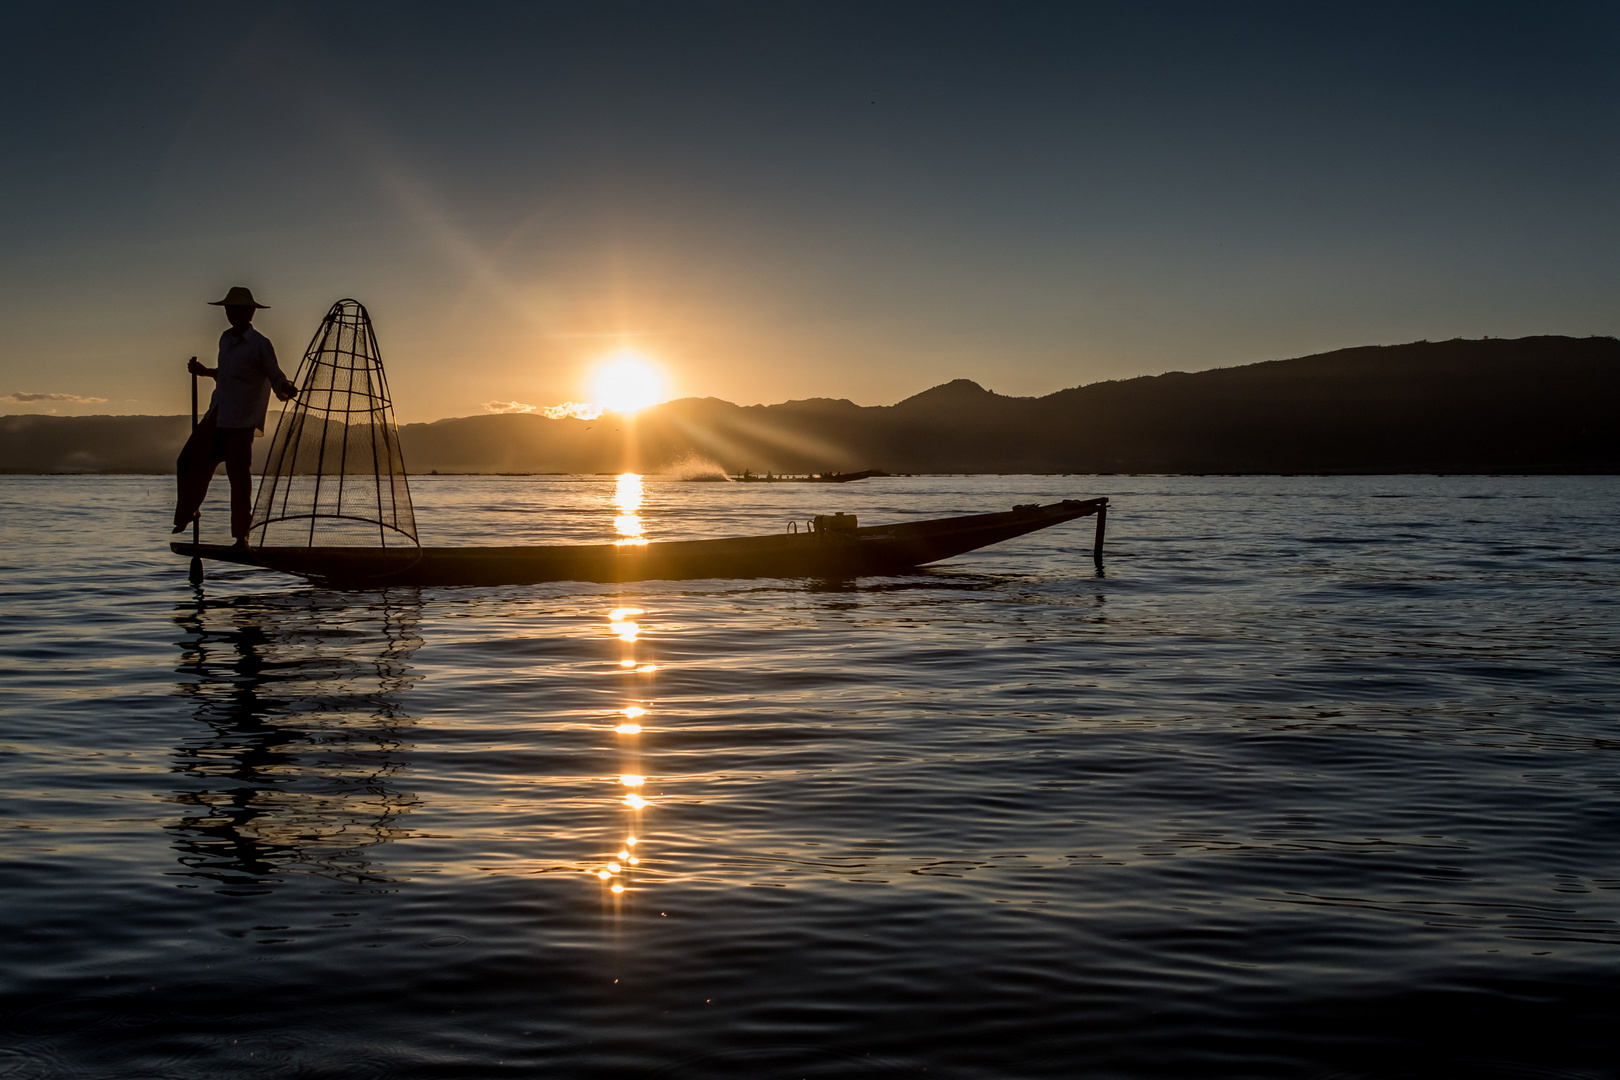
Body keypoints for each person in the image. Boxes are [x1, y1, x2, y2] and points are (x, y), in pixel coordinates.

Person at [172, 286, 298, 546]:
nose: (230, 313)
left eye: (237, 309)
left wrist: (284, 387)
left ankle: (242, 536)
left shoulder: (260, 344)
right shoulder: (225, 339)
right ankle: (188, 511)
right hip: (217, 413)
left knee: (238, 479)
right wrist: (205, 371)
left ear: (250, 312)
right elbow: (229, 374)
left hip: (241, 419)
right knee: (188, 460)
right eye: (229, 309)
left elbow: (274, 373)